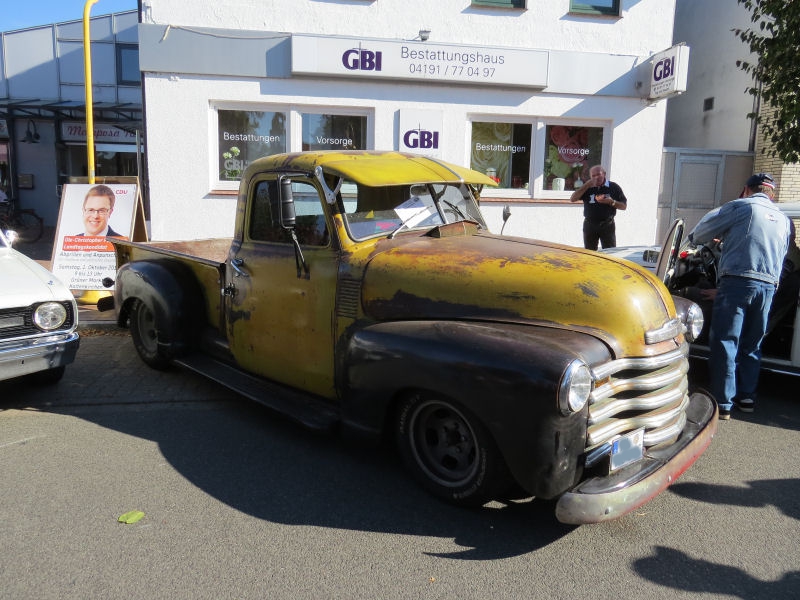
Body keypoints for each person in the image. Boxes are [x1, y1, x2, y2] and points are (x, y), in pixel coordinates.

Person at [688, 172, 791, 419]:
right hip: (768, 287)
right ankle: (746, 398)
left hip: (737, 282)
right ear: (772, 193)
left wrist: (710, 239)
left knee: (726, 340)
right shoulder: (784, 219)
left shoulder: (741, 207)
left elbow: (700, 234)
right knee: (752, 343)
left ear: (746, 189)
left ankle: (723, 403)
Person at [570, 165, 627, 250]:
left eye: (598, 174)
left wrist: (612, 202)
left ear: (604, 174)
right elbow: (573, 199)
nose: (596, 177)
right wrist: (586, 185)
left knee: (610, 252)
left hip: (607, 224)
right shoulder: (587, 187)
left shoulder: (613, 187)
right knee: (590, 252)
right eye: (593, 176)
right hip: (590, 224)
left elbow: (623, 206)